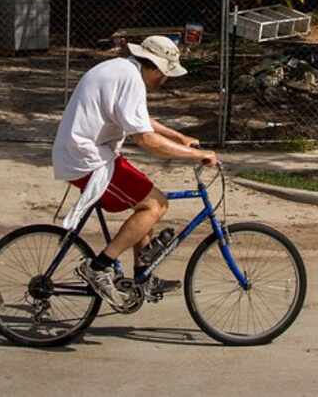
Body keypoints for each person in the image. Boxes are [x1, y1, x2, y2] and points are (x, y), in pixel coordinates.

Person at [51, 34, 218, 308]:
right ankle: (99, 266)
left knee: (145, 201)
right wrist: (198, 155)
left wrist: (179, 137)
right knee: (155, 205)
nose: (164, 81)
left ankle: (142, 278)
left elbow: (140, 118)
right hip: (86, 159)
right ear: (154, 66)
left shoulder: (124, 70)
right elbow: (146, 139)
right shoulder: (129, 78)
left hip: (91, 153)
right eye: (164, 74)